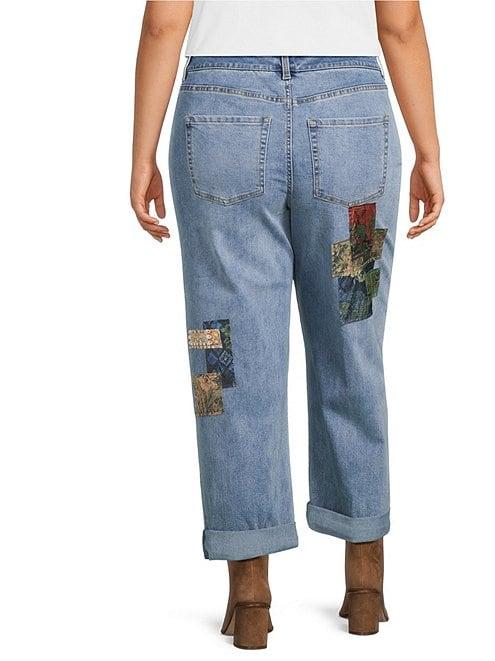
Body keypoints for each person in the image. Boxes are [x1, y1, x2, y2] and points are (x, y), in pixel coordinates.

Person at [130, 0, 443, 649]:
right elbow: (400, 24)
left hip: (221, 123)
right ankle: (365, 581)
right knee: (354, 340)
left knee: (223, 358)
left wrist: (142, 152)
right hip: (352, 128)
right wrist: (428, 149)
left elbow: (164, 21)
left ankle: (249, 593)